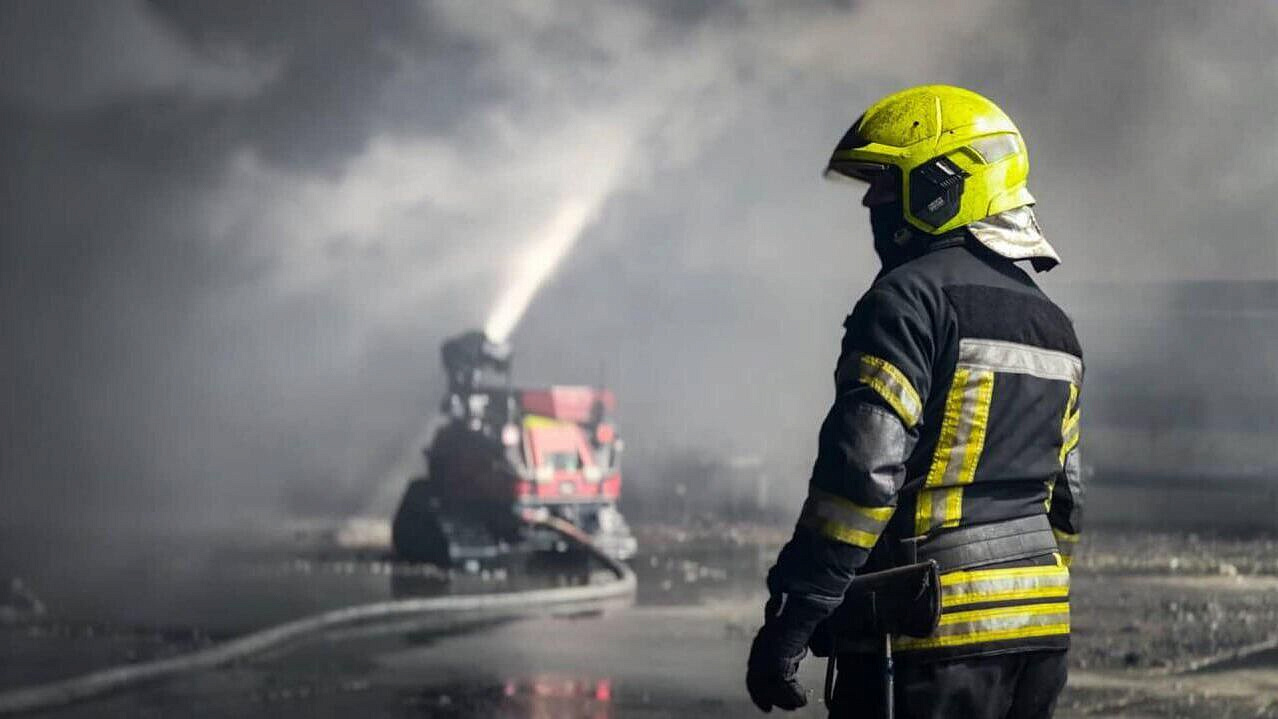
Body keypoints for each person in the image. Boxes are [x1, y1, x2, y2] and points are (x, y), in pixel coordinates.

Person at [746, 85, 1083, 718]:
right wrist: (1020, 603)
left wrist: (795, 615)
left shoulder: (906, 302)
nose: (870, 201)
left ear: (939, 186)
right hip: (1039, 642)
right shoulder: (1053, 323)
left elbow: (861, 481)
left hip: (928, 641)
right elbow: (1065, 502)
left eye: (885, 181)